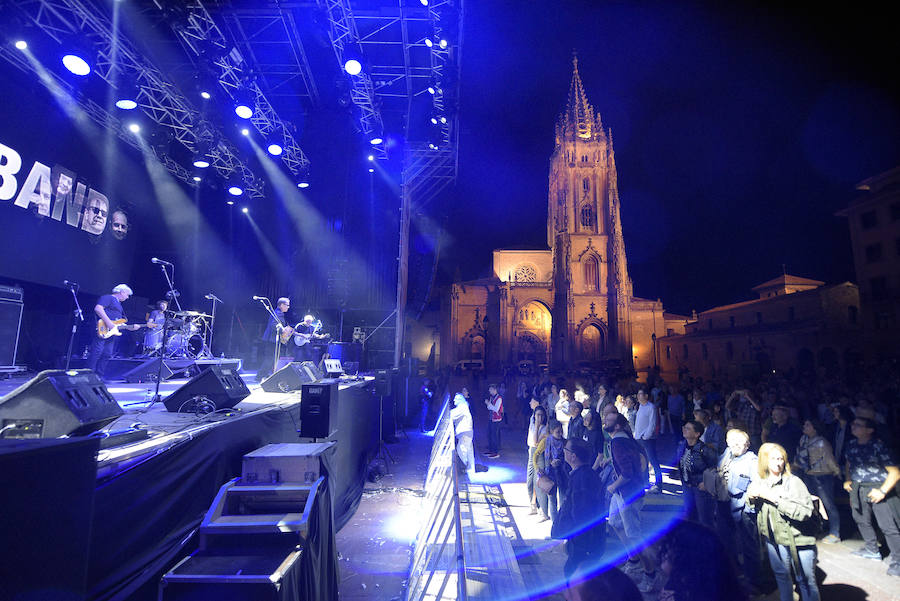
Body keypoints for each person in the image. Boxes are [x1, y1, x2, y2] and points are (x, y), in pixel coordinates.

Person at [747, 443, 821, 601]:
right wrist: (751, 497)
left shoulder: (794, 482)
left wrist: (773, 498)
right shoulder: (761, 481)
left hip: (798, 539)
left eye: (780, 458)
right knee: (782, 576)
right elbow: (751, 504)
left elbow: (805, 512)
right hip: (774, 539)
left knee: (806, 580)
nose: (777, 462)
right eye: (773, 458)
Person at [603, 411, 656, 593]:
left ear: (617, 425)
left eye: (608, 420)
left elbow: (627, 472)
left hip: (627, 494)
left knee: (634, 535)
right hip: (624, 493)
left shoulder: (618, 442)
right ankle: (633, 561)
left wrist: (612, 486)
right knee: (616, 523)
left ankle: (650, 573)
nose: (605, 421)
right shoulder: (625, 438)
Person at [843, 416, 900, 576]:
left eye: (858, 425)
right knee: (860, 518)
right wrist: (848, 479)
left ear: (869, 430)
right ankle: (871, 549)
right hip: (859, 487)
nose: (853, 426)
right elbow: (849, 463)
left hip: (878, 487)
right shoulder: (851, 444)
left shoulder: (878, 446)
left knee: (887, 526)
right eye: (853, 423)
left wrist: (882, 491)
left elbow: (895, 472)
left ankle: (898, 561)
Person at [553, 438, 605, 579]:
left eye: (566, 450)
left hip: (584, 543)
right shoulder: (584, 474)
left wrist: (574, 541)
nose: (564, 452)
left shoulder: (582, 479)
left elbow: (581, 515)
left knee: (574, 576)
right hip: (585, 541)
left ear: (573, 456)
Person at [719, 429, 760, 595]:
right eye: (732, 441)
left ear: (748, 444)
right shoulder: (727, 455)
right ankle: (736, 574)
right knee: (729, 542)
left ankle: (754, 583)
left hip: (744, 509)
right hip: (725, 505)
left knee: (749, 546)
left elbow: (756, 484)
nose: (735, 444)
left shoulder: (752, 461)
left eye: (740, 441)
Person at [793, 418, 842, 543]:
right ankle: (820, 527)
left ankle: (835, 532)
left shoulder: (821, 442)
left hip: (822, 476)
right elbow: (799, 456)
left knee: (828, 504)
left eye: (808, 424)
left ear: (815, 428)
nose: (804, 425)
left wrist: (837, 472)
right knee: (813, 503)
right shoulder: (803, 439)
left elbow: (830, 459)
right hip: (808, 475)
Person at [87, 284, 138, 377]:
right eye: (127, 295)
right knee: (97, 351)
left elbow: (117, 321)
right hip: (103, 328)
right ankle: (89, 375)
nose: (127, 297)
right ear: (122, 292)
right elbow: (98, 309)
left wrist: (129, 327)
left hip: (111, 332)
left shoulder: (119, 304)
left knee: (107, 354)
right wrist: (109, 323)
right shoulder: (108, 297)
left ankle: (99, 376)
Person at [677, 420, 718, 524]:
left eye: (688, 428)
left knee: (704, 518)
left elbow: (715, 468)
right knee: (690, 516)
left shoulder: (705, 450)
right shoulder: (682, 446)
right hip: (687, 487)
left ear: (697, 434)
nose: (684, 430)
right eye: (684, 427)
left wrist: (706, 483)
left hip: (701, 489)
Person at [535, 420, 567, 523]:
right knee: (552, 501)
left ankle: (562, 522)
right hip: (550, 473)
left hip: (562, 473)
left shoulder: (565, 442)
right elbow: (536, 454)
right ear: (552, 431)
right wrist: (537, 468)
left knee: (563, 499)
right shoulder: (546, 441)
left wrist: (561, 461)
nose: (560, 434)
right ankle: (555, 523)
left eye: (561, 431)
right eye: (558, 432)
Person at [634, 388, 662, 493]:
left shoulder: (651, 407)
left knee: (653, 461)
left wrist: (646, 436)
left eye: (640, 394)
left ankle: (659, 485)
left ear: (646, 395)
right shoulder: (640, 406)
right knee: (642, 461)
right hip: (639, 438)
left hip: (647, 439)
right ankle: (646, 481)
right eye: (638, 394)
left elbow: (652, 423)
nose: (638, 396)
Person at [257, 297, 290, 380]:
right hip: (271, 339)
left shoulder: (277, 312)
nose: (288, 307)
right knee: (270, 358)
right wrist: (283, 329)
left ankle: (264, 375)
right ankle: (260, 376)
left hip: (271, 339)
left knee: (272, 358)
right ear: (282, 305)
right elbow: (274, 325)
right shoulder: (278, 313)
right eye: (287, 305)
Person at [527, 405, 549, 514]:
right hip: (531, 453)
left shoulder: (544, 428)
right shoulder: (532, 422)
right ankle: (533, 504)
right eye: (537, 415)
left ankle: (543, 511)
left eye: (541, 415)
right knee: (529, 482)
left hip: (539, 454)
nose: (539, 417)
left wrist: (537, 426)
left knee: (538, 482)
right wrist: (535, 424)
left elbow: (536, 441)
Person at [450, 387, 476, 479]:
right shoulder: (463, 406)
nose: (453, 400)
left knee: (461, 449)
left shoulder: (462, 407)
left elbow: (452, 415)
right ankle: (470, 468)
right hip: (467, 432)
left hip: (465, 432)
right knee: (468, 451)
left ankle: (464, 467)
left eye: (455, 399)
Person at [484, 384, 504, 457]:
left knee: (494, 436)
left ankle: (495, 452)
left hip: (496, 419)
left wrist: (488, 404)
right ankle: (491, 450)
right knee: (489, 434)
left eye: (490, 389)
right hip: (491, 418)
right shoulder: (492, 397)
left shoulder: (499, 398)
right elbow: (490, 408)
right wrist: (489, 405)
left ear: (494, 390)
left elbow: (496, 409)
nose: (489, 391)